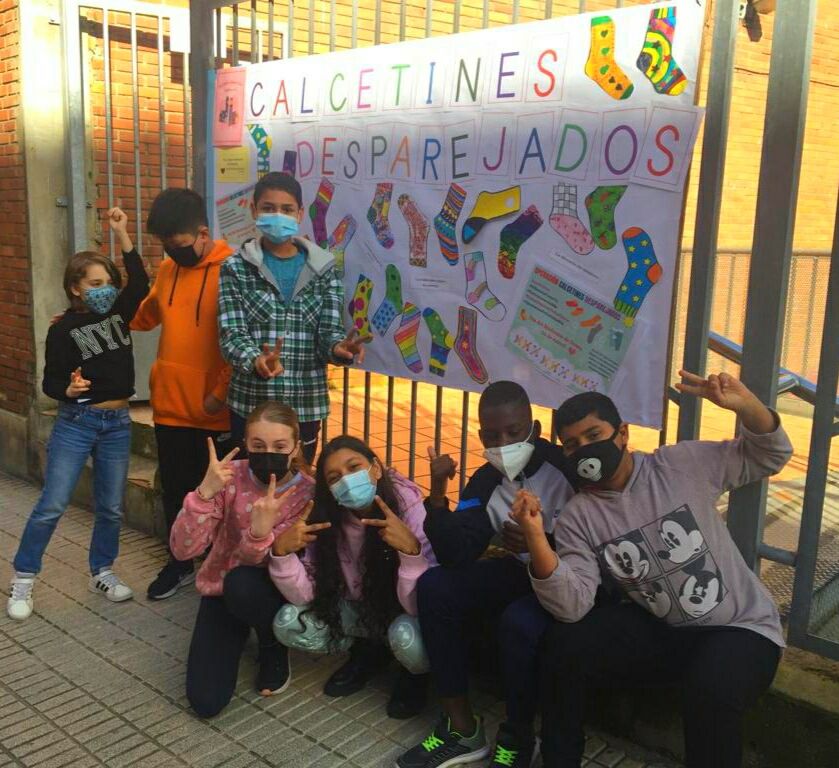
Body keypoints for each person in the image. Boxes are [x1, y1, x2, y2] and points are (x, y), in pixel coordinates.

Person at [524, 371, 792, 768]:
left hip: (741, 627)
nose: (585, 451)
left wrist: (747, 405)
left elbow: (770, 454)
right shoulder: (580, 515)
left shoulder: (679, 465)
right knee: (565, 645)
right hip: (666, 630)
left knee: (710, 693)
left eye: (594, 436)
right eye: (573, 445)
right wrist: (536, 539)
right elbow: (573, 606)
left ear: (623, 434)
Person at [398, 380, 576, 768]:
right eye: (493, 435)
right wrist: (439, 495)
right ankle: (461, 728)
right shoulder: (485, 479)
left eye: (515, 432)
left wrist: (540, 540)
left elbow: (598, 538)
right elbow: (458, 554)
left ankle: (517, 734)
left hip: (570, 580)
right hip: (518, 572)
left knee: (518, 623)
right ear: (480, 435)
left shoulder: (566, 468)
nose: (504, 442)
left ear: (536, 429)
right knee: (436, 586)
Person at [7, 208, 149, 621]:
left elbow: (139, 281)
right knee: (52, 504)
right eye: (96, 284)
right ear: (75, 288)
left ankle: (101, 571)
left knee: (110, 507)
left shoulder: (120, 314)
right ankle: (24, 578)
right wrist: (67, 390)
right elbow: (50, 383)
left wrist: (122, 232)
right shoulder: (63, 329)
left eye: (108, 283)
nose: (105, 290)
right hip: (77, 423)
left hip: (118, 425)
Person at [270, 434, 435, 719]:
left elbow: (423, 603)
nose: (346, 480)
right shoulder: (328, 517)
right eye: (334, 477)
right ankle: (368, 652)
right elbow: (307, 595)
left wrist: (410, 551)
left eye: (354, 467)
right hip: (360, 610)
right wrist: (281, 553)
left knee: (408, 637)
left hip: (406, 614)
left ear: (375, 468)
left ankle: (415, 674)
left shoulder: (406, 505)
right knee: (289, 624)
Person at [171, 401, 315, 718]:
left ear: (296, 448)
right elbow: (184, 551)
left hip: (274, 591)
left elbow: (261, 561)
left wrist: (261, 533)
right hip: (223, 587)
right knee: (206, 701)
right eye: (258, 445)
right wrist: (203, 495)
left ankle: (272, 641)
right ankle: (240, 630)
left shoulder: (307, 493)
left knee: (243, 582)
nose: (268, 453)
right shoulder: (229, 478)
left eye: (280, 446)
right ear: (246, 445)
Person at [217, 171, 370, 463]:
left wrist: (338, 348)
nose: (278, 215)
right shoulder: (235, 268)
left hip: (305, 406)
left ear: (300, 213)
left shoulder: (324, 268)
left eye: (286, 209)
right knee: (246, 489)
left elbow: (329, 332)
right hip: (252, 405)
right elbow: (231, 334)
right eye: (268, 208)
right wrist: (255, 359)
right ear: (254, 211)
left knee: (298, 490)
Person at [130, 187, 235, 601]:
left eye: (179, 245)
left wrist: (221, 390)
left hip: (214, 409)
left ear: (203, 233)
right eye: (167, 247)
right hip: (170, 406)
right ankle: (178, 563)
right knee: (176, 489)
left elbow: (237, 336)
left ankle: (220, 561)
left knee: (221, 494)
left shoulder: (232, 270)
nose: (174, 254)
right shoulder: (168, 270)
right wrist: (91, 317)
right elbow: (144, 316)